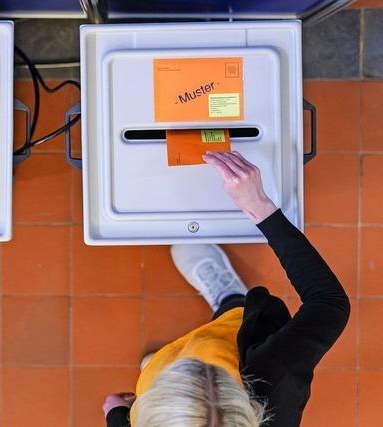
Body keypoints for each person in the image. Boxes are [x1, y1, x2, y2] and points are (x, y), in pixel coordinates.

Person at [103, 151, 350, 427]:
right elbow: (329, 304)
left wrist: (117, 416)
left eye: (177, 379)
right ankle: (230, 297)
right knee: (236, 317)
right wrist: (260, 208)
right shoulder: (274, 383)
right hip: (240, 338)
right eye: (216, 375)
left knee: (180, 356)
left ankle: (168, 362)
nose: (198, 366)